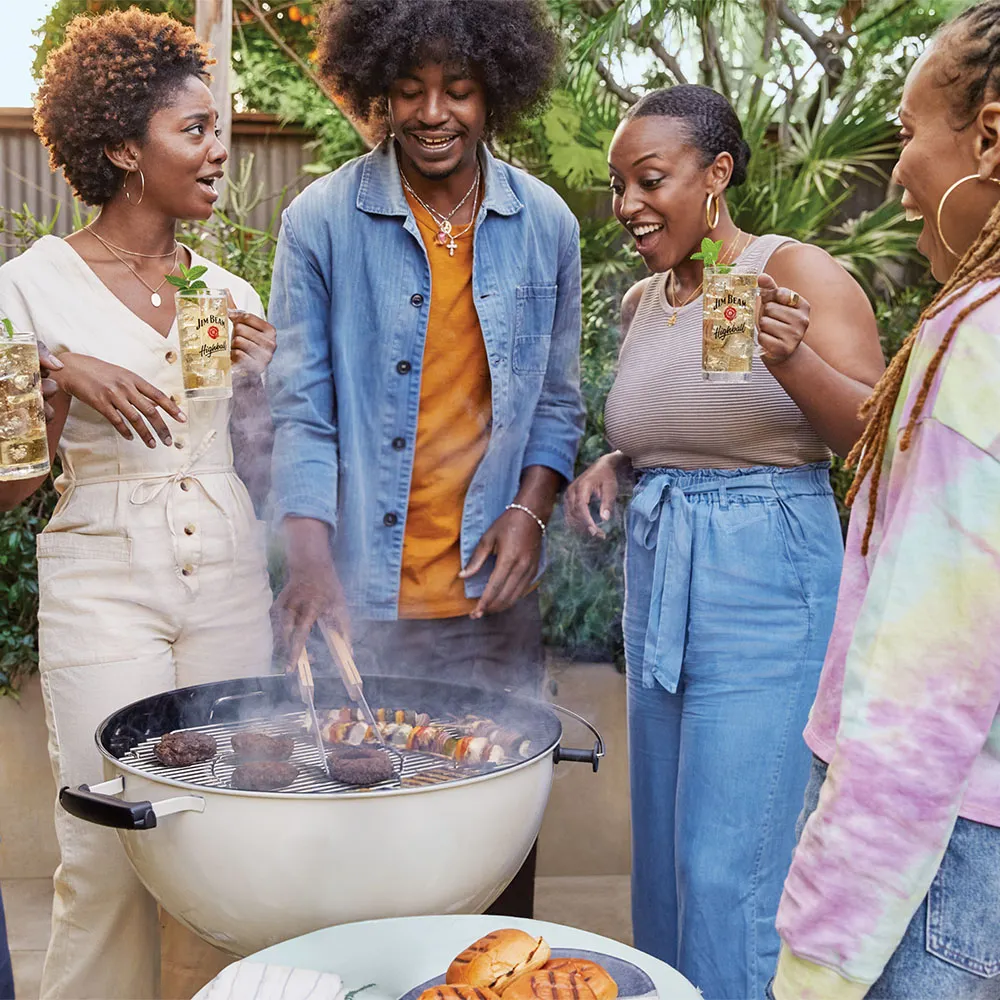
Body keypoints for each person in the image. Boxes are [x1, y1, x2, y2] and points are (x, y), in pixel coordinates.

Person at [563, 85, 885, 999]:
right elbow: (684, 426)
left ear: (718, 174)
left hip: (767, 577)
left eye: (650, 180)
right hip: (663, 578)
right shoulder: (643, 303)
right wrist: (617, 464)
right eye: (620, 185)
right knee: (664, 860)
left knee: (730, 868)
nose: (627, 204)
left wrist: (793, 358)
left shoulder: (800, 274)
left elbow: (872, 436)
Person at [267, 0, 582, 918]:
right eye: (409, 90)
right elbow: (299, 404)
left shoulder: (547, 224)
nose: (433, 112)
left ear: (495, 93)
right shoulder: (318, 221)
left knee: (491, 855)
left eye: (459, 90)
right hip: (358, 599)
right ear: (379, 94)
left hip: (490, 604)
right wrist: (312, 563)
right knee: (360, 859)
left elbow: (558, 402)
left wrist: (529, 511)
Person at [0, 10, 277, 997]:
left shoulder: (227, 286)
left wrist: (261, 387)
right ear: (124, 147)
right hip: (102, 569)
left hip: (230, 565)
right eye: (194, 130)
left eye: (218, 127)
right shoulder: (28, 290)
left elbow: (256, 462)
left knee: (225, 838)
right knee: (108, 842)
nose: (219, 149)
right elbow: (13, 487)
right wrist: (53, 375)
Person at [772, 4, 1000, 997]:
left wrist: (817, 962)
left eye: (908, 132)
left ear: (988, 134)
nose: (898, 171)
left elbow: (921, 693)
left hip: (936, 873)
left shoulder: (977, 341)